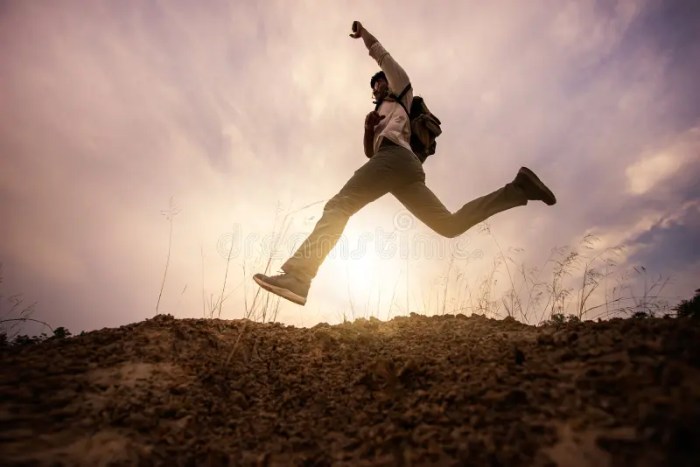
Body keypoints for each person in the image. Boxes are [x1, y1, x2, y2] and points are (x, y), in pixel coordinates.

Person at [253, 21, 556, 306]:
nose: (376, 88)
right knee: (449, 225)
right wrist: (368, 128)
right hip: (402, 169)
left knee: (339, 206)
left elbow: (382, 55)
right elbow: (372, 156)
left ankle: (299, 276)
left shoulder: (401, 91)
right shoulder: (380, 115)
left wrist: (365, 35)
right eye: (373, 88)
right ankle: (519, 189)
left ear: (391, 82)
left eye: (380, 83)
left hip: (397, 159)